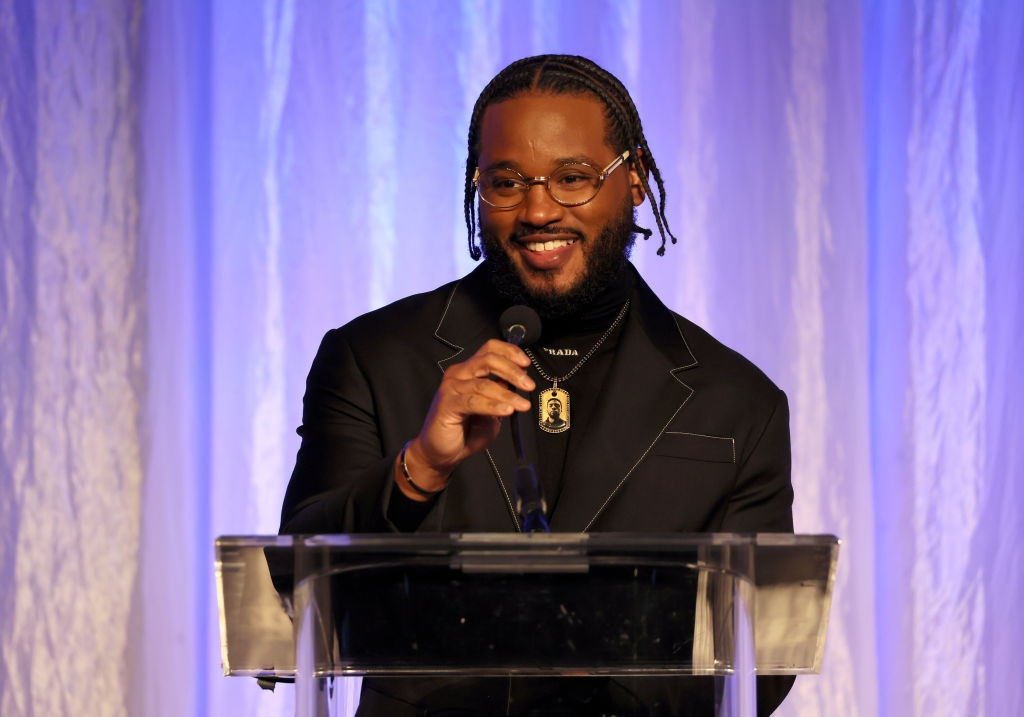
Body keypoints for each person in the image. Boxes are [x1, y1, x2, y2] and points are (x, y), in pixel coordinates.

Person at [280, 54, 794, 716]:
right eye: (507, 181)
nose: (539, 209)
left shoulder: (738, 402)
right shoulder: (372, 357)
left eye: (573, 177)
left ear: (634, 179)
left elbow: (767, 652)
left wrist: (601, 679)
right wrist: (419, 470)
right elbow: (291, 586)